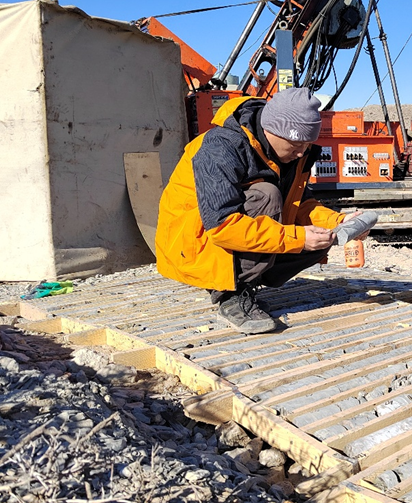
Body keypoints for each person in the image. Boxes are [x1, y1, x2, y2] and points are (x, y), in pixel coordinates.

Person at [155, 87, 361, 334]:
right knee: (266, 195)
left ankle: (249, 280)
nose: (301, 152)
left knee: (324, 237)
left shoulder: (290, 155)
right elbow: (221, 226)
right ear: (272, 130)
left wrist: (338, 221)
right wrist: (298, 238)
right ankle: (230, 294)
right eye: (296, 144)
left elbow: (300, 204)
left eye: (307, 145)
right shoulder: (220, 147)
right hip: (194, 244)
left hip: (228, 236)